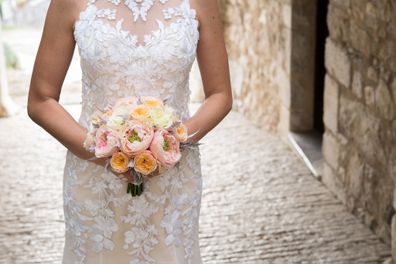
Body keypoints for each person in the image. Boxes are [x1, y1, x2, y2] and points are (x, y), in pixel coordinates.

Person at [27, 0, 232, 263]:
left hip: (173, 178)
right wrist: (107, 154)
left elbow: (221, 94)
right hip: (95, 178)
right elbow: (40, 100)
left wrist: (168, 143)